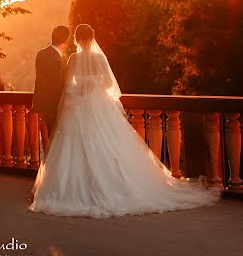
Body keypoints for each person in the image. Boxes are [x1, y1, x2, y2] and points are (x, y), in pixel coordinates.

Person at [28, 24, 220, 218]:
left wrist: (82, 88)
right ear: (92, 38)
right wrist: (93, 84)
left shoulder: (73, 58)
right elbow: (109, 84)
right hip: (98, 107)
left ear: (76, 39)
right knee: (108, 145)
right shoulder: (99, 57)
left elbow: (68, 86)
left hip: (77, 108)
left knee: (73, 147)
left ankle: (70, 190)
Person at [32, 25, 70, 140]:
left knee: (48, 137)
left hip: (41, 104)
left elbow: (39, 80)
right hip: (54, 107)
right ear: (65, 41)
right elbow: (56, 87)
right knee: (55, 138)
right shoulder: (57, 60)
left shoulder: (41, 53)